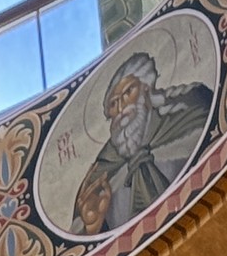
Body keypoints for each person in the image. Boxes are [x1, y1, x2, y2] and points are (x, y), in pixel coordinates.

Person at [68, 54, 212, 236]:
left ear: (146, 87)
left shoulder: (188, 111)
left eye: (128, 92)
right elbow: (90, 240)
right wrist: (93, 226)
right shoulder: (103, 170)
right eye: (113, 104)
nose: (121, 109)